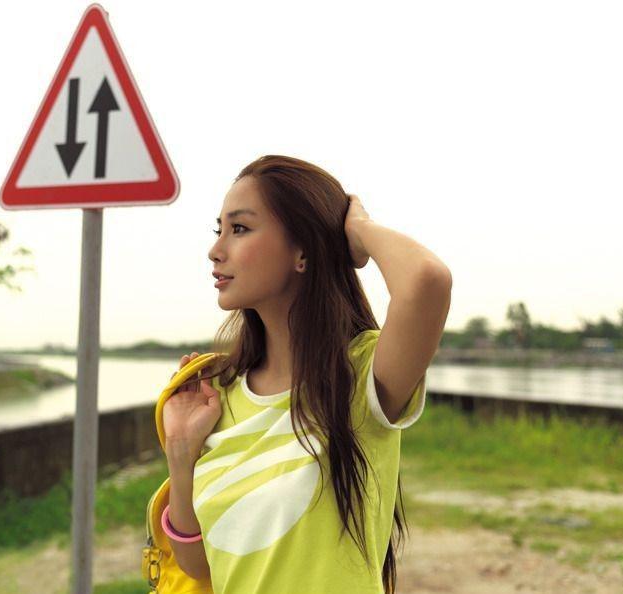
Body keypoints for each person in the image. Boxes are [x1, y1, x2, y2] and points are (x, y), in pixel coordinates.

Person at [162, 154, 452, 594]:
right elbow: (198, 563)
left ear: (302, 251)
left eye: (239, 229)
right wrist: (181, 453)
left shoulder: (361, 374)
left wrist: (357, 230)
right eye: (218, 230)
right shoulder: (219, 394)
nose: (216, 250)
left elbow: (427, 280)